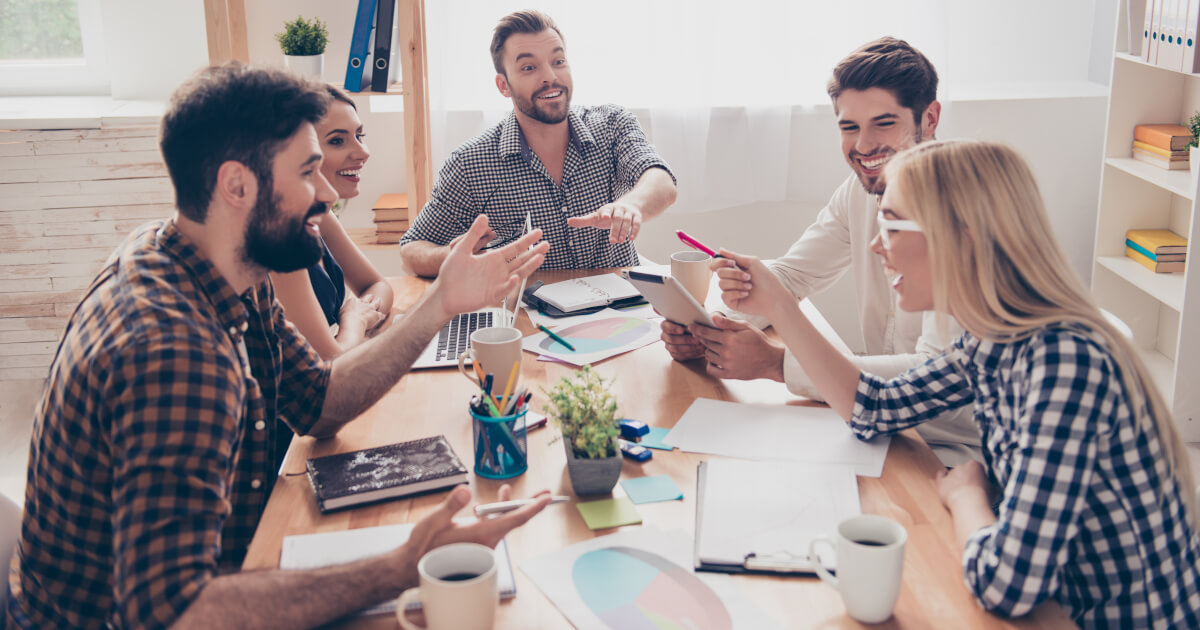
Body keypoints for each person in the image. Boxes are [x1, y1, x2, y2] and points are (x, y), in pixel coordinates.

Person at [4, 64, 552, 630]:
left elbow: (318, 401)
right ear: (238, 186)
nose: (324, 192)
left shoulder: (218, 263)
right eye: (308, 170)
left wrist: (440, 304)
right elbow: (174, 614)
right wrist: (400, 567)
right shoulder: (173, 352)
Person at [715, 139, 1200, 628]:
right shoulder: (992, 337)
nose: (875, 244)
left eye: (892, 223)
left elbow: (1006, 583)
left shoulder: (1064, 362)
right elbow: (874, 407)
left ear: (964, 237)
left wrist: (967, 495)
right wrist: (779, 304)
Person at [661, 36, 980, 465]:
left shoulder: (965, 218)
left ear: (931, 117)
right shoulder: (860, 190)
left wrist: (776, 363)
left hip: (951, 451)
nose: (863, 145)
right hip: (878, 424)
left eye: (884, 123)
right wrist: (715, 332)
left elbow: (932, 381)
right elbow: (793, 276)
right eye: (849, 127)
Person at [399, 9, 677, 275]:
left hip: (621, 311)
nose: (550, 77)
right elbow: (412, 250)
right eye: (529, 67)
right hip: (530, 318)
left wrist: (631, 206)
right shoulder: (470, 163)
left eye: (558, 61)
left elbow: (661, 182)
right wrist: (452, 257)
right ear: (503, 85)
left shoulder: (612, 123)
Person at [273, 85, 394, 360]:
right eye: (337, 141)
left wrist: (358, 316)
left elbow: (378, 286)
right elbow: (330, 364)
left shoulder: (316, 212)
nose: (363, 152)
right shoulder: (280, 237)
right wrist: (355, 321)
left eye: (359, 135)